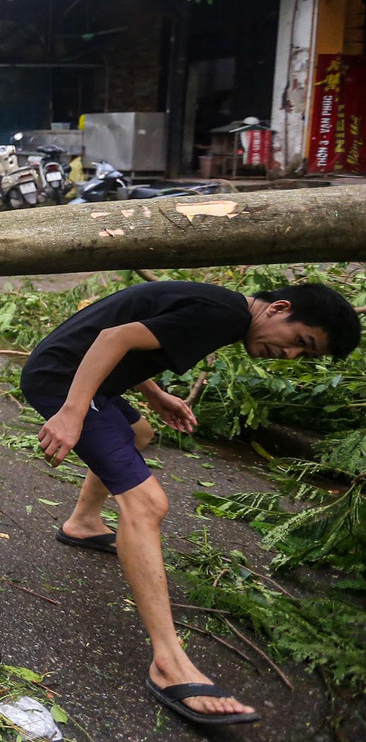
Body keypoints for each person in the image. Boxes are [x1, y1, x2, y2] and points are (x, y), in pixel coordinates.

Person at [19, 281, 360, 727]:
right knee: (147, 505)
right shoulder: (224, 316)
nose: (292, 356)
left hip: (77, 372)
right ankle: (168, 663)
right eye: (300, 342)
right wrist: (72, 410)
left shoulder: (224, 309)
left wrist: (155, 395)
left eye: (305, 355)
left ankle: (83, 523)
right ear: (279, 308)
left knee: (140, 434)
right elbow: (111, 339)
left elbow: (125, 332)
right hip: (62, 378)